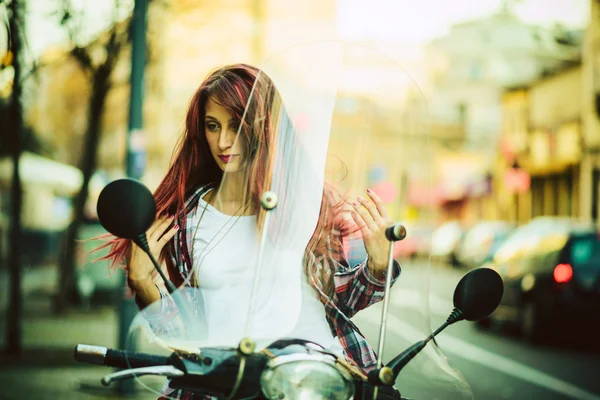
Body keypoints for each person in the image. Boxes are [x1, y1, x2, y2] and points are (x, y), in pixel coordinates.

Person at [99, 63, 401, 398]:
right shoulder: (190, 218)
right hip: (231, 382)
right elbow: (188, 332)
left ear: (263, 128)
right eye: (213, 126)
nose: (224, 142)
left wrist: (377, 264)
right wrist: (143, 284)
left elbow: (341, 299)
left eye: (237, 125)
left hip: (311, 378)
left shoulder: (303, 201)